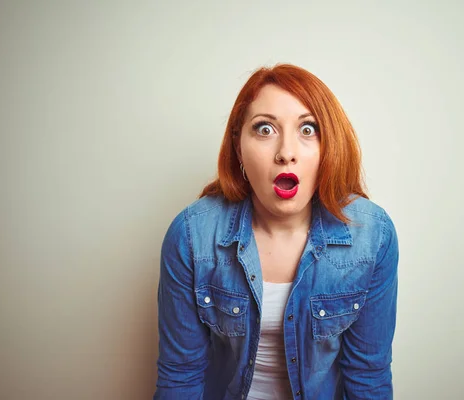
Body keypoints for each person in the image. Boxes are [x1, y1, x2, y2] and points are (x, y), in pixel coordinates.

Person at [153, 64, 399, 399]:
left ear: (329, 148)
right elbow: (180, 377)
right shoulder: (192, 236)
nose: (286, 153)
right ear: (238, 146)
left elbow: (368, 378)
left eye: (308, 129)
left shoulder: (372, 236)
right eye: (265, 129)